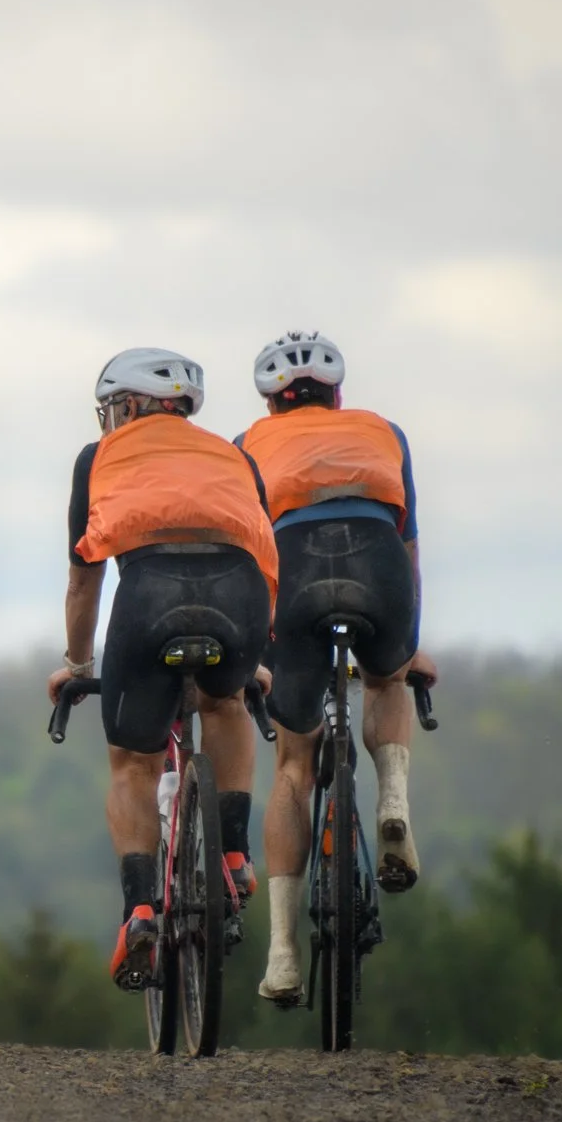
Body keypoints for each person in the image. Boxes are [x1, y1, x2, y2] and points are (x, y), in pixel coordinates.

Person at [47, 349, 278, 990]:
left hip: (148, 598)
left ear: (126, 407)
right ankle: (233, 853)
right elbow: (265, 550)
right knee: (226, 702)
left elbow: (83, 581)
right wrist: (256, 657)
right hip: (240, 598)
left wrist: (76, 664)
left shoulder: (97, 460)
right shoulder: (235, 456)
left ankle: (140, 910)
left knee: (133, 763)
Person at [238, 330, 436, 1005]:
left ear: (271, 406)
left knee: (294, 764)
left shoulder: (248, 444)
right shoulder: (386, 432)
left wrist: (256, 648)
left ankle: (284, 955)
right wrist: (409, 644)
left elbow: (246, 554)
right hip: (377, 560)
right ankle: (392, 802)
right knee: (386, 679)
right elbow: (408, 549)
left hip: (292, 566)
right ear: (338, 395)